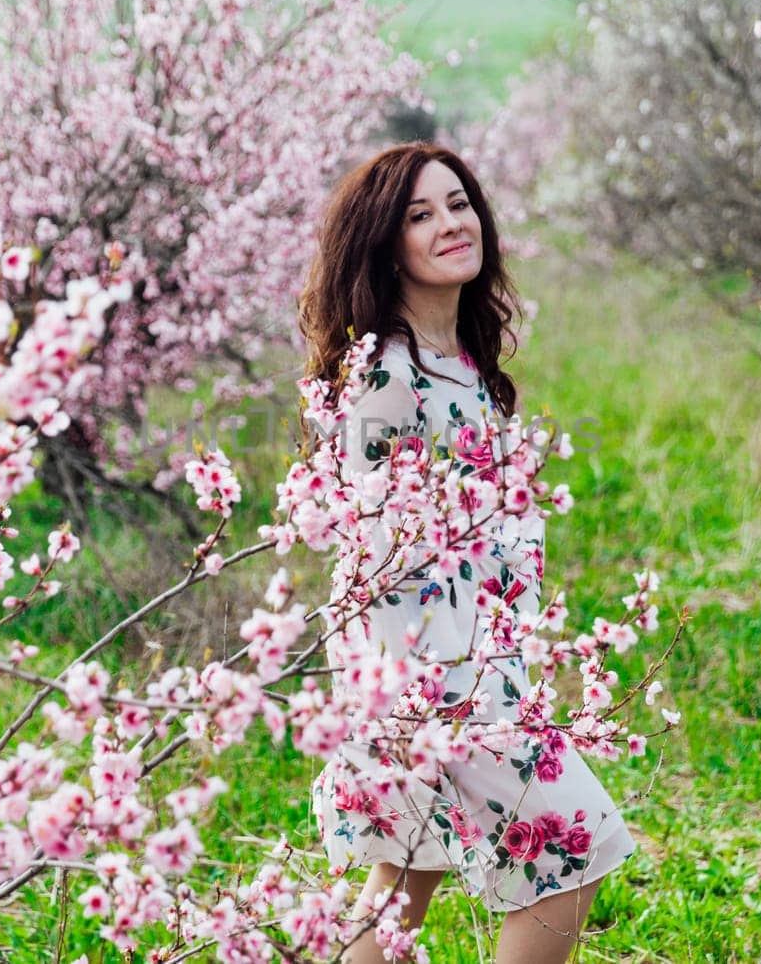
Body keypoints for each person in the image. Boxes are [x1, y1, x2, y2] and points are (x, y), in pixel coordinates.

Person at [296, 143, 637, 964]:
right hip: (433, 686)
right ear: (387, 246)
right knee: (575, 849)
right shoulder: (389, 377)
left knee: (399, 890)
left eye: (459, 204)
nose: (451, 223)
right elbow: (378, 553)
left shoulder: (461, 364)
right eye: (420, 216)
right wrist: (424, 707)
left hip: (476, 668)